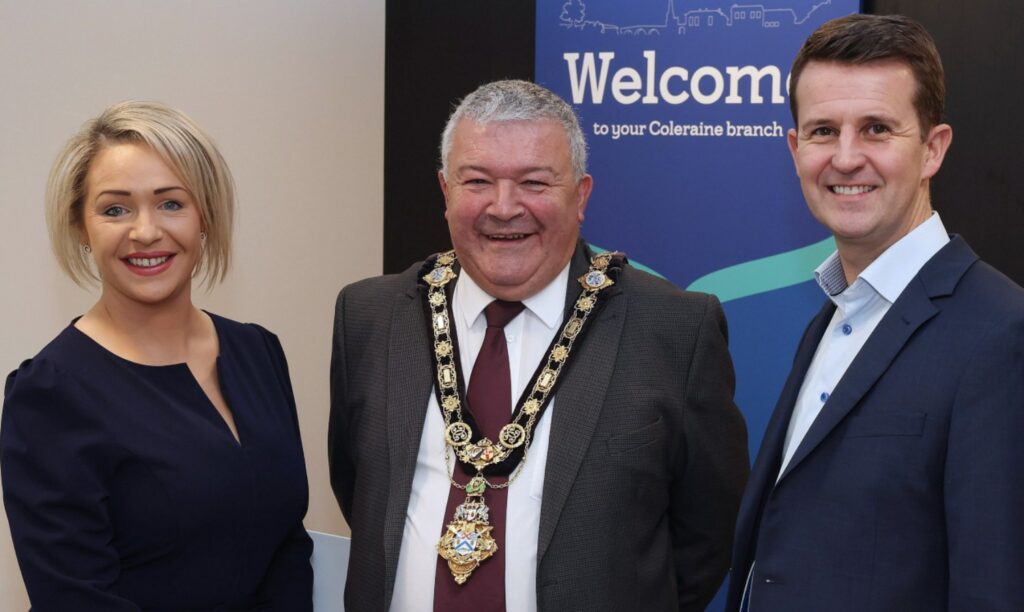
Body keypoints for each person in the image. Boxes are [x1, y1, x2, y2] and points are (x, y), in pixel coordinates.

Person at [329, 79, 749, 612]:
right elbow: (359, 490)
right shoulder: (369, 316)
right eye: (477, 180)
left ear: (581, 196)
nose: (504, 208)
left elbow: (708, 533)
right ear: (445, 191)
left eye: (534, 182)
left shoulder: (673, 329)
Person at [726, 14, 1024, 612]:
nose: (845, 157)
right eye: (822, 131)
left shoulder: (1002, 334)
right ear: (795, 148)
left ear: (933, 149)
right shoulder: (830, 318)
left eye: (877, 129)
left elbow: (995, 585)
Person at [0, 101, 313, 610]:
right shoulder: (52, 392)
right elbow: (75, 599)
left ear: (205, 216)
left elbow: (286, 548)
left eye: (171, 203)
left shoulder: (258, 351)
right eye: (115, 209)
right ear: (81, 227)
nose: (145, 231)